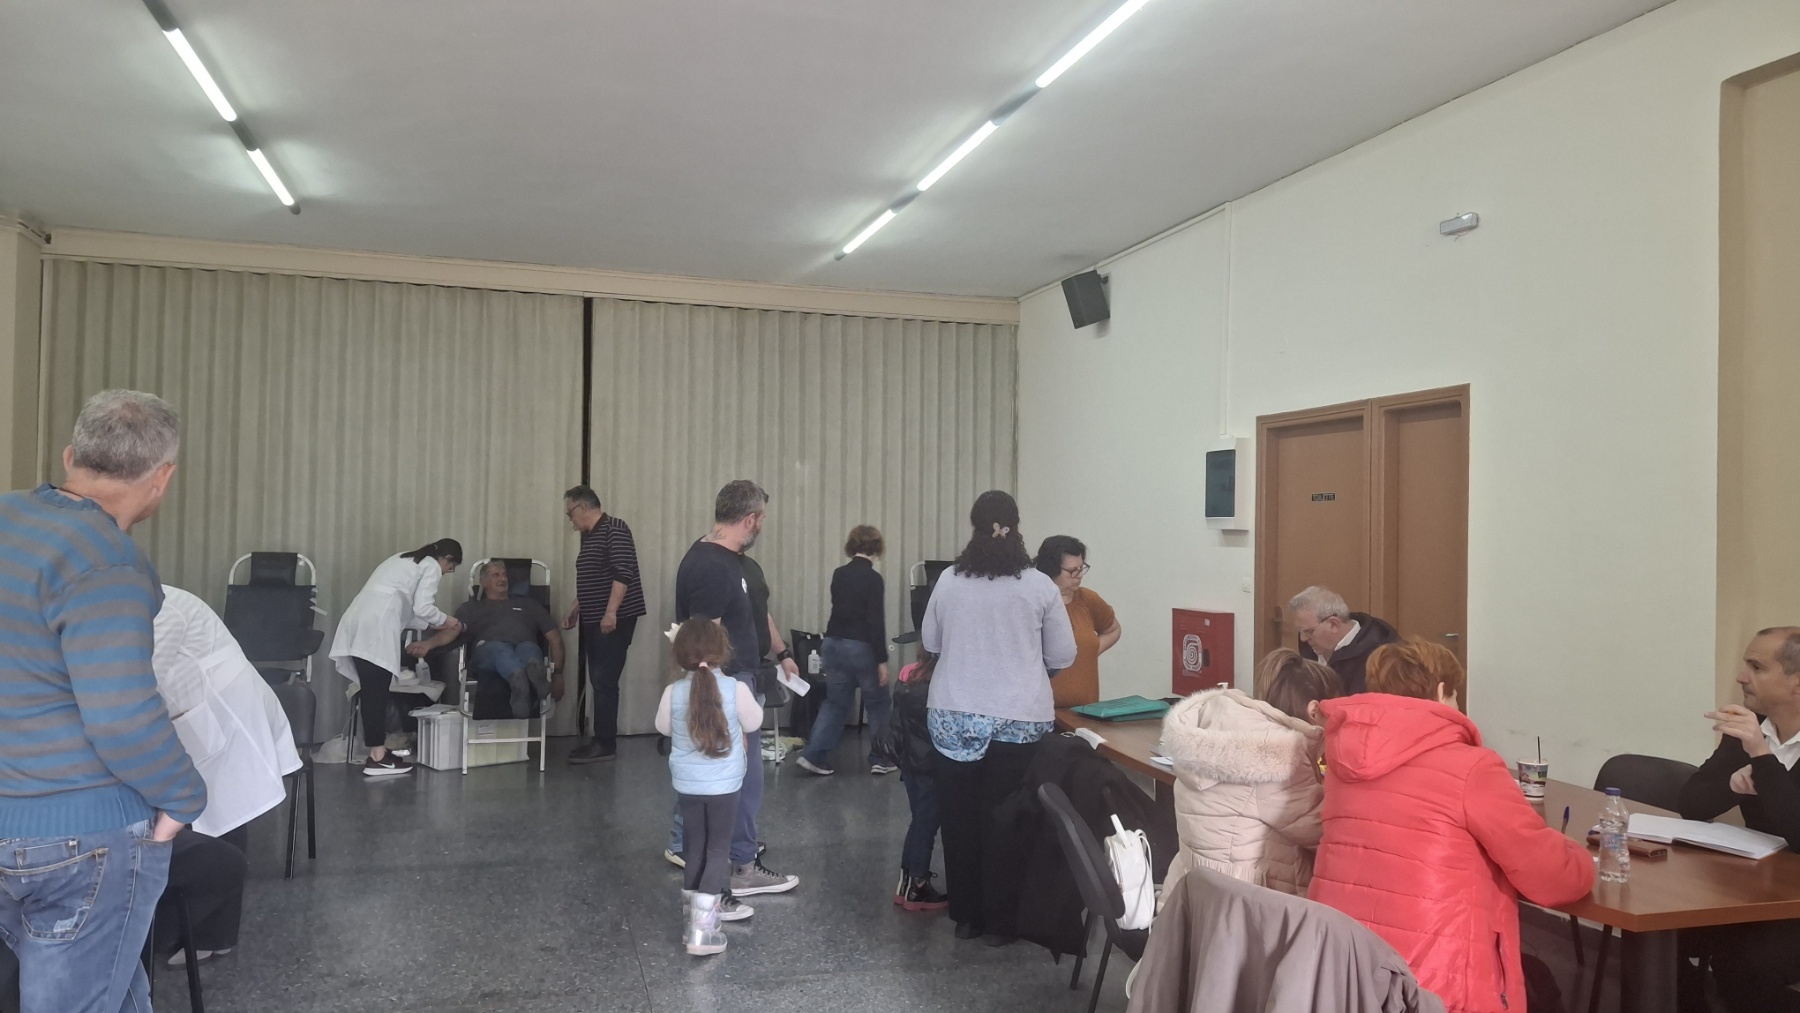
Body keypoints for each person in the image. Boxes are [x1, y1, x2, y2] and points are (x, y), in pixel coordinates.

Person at [0, 389, 207, 1013]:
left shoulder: (9, 518)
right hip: (79, 838)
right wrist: (183, 795)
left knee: (111, 985)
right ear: (162, 479)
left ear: (71, 457)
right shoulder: (108, 563)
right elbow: (121, 717)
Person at [1308, 638, 1592, 1013]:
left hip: (1344, 970)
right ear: (1443, 692)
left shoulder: (1342, 762)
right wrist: (1583, 858)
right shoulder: (1472, 767)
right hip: (1434, 982)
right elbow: (1551, 876)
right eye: (1456, 694)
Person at [922, 490, 1076, 940]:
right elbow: (1063, 654)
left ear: (974, 527)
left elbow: (931, 641)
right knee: (1009, 818)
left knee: (960, 816)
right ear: (1017, 527)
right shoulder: (1039, 586)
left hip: (954, 713)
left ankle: (967, 917)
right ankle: (1002, 922)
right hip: (1020, 716)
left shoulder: (949, 580)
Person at [150, 585, 305, 968]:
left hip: (223, 712)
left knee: (220, 819)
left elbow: (139, 679)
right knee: (215, 819)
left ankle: (207, 936)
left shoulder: (161, 607)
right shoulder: (139, 599)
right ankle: (205, 934)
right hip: (201, 711)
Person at [674, 480, 798, 897]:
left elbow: (756, 613)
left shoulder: (738, 562)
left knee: (732, 777)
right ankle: (740, 866)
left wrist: (782, 653)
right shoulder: (711, 566)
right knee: (739, 779)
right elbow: (705, 644)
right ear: (750, 519)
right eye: (761, 518)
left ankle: (723, 855)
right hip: (728, 683)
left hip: (744, 676)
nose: (762, 525)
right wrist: (722, 705)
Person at [1676, 627, 1800, 1012]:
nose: (1741, 677)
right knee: (1668, 934)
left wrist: (1762, 757)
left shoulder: (1754, 738)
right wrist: (1733, 783)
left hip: (1794, 906)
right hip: (1758, 887)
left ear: (1797, 684)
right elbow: (1691, 803)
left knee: (1746, 965)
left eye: (1757, 667)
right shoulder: (1752, 726)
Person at [1158, 648, 1338, 898]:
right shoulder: (1278, 757)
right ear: (1314, 712)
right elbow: (1325, 832)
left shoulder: (1214, 732)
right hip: (1249, 906)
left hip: (1194, 898)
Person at [656, 619, 764, 956]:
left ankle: (691, 922)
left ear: (679, 654)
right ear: (722, 651)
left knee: (695, 849)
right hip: (725, 786)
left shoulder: (673, 691)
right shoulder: (735, 688)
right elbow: (754, 722)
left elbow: (663, 727)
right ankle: (703, 932)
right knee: (718, 850)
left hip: (688, 785)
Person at [330, 538, 464, 776]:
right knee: (375, 693)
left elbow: (407, 610)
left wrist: (437, 623)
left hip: (360, 621)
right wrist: (449, 621)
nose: (445, 572)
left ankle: (378, 753)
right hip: (376, 627)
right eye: (450, 568)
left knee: (373, 690)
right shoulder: (431, 565)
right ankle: (377, 758)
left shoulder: (403, 558)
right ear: (448, 559)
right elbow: (423, 608)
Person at [411, 560, 565, 719]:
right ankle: (520, 681)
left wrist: (558, 674)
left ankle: (533, 680)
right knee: (499, 649)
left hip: (522, 648)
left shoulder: (529, 604)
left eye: (504, 575)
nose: (503, 579)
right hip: (488, 652)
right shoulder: (471, 608)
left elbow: (554, 638)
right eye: (496, 575)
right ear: (483, 581)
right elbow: (451, 632)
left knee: (529, 649)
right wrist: (427, 644)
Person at [798, 525, 895, 776]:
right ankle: (881, 758)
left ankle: (813, 756)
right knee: (878, 703)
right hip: (861, 646)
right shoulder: (873, 579)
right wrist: (882, 660)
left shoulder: (839, 574)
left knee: (835, 703)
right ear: (877, 548)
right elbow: (875, 621)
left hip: (832, 644)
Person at [563, 486, 646, 763]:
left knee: (604, 680)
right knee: (599, 680)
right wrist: (575, 609)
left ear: (583, 507)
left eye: (570, 513)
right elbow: (593, 580)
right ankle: (600, 740)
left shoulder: (615, 529)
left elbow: (623, 574)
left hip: (612, 620)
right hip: (595, 617)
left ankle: (605, 744)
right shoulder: (591, 536)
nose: (570, 520)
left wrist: (611, 613)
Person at [874, 635, 950, 911]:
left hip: (909, 760)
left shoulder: (908, 674)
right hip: (931, 763)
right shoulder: (942, 682)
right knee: (926, 825)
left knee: (918, 821)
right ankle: (918, 886)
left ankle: (905, 884)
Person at [1033, 535, 1121, 708]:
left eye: (1081, 568)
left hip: (1086, 711)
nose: (1079, 575)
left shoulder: (1088, 600)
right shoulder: (1034, 603)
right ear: (1052, 569)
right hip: (1043, 712)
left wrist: (1090, 651)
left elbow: (1113, 629)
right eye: (1072, 571)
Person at [1288, 585, 1397, 695]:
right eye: (1300, 632)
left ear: (1333, 624)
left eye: (1309, 631)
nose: (1303, 639)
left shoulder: (1382, 658)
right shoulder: (1310, 650)